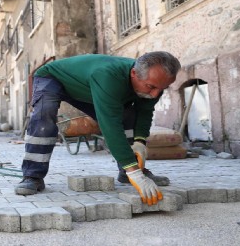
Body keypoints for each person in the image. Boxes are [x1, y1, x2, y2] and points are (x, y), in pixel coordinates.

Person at [16, 51, 181, 206]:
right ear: (133, 74)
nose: (155, 94)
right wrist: (135, 173)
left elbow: (144, 112)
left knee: (128, 114)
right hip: (53, 78)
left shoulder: (153, 82)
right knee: (44, 115)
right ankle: (32, 176)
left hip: (86, 86)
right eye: (151, 87)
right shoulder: (109, 77)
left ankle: (126, 172)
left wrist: (140, 141)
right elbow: (110, 125)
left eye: (162, 89)